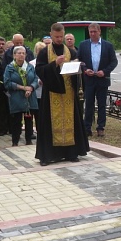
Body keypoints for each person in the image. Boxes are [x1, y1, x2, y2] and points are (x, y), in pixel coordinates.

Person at [36, 22, 90, 165]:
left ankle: (71, 153)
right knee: (49, 124)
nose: (59, 39)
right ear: (51, 35)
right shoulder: (44, 52)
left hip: (69, 93)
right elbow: (39, 70)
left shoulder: (71, 51)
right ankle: (48, 156)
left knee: (72, 122)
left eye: (61, 36)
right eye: (56, 37)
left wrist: (78, 65)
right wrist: (54, 64)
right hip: (51, 93)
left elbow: (77, 70)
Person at [77, 22, 118, 137]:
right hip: (89, 79)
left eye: (95, 32)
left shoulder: (108, 45)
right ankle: (87, 127)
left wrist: (104, 71)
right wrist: (85, 70)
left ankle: (101, 127)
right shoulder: (83, 45)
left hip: (102, 79)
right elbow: (79, 60)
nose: (93, 34)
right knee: (88, 104)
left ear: (99, 31)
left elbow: (114, 61)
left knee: (101, 105)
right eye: (90, 32)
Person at [5, 46, 39, 146]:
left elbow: (36, 79)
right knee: (16, 120)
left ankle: (28, 140)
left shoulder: (30, 67)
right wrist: (22, 87)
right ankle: (15, 141)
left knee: (29, 119)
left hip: (30, 96)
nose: (21, 55)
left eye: (23, 53)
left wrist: (31, 88)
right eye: (19, 53)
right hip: (16, 96)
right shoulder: (10, 67)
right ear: (14, 55)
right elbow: (7, 83)